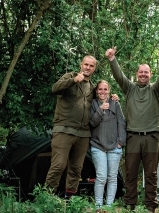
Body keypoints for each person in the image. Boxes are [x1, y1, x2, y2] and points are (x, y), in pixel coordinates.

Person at [105, 47, 159, 213]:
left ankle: (150, 207)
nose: (143, 75)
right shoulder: (130, 88)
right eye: (141, 72)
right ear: (136, 73)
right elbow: (119, 76)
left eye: (146, 72)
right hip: (133, 137)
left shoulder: (156, 89)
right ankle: (130, 206)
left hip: (152, 137)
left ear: (150, 75)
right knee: (131, 174)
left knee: (151, 174)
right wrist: (112, 59)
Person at [45, 55, 118, 199]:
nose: (88, 68)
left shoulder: (92, 88)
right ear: (81, 65)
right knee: (58, 165)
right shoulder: (70, 77)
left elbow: (102, 97)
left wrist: (113, 97)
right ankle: (46, 198)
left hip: (84, 134)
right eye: (86, 64)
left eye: (91, 66)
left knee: (76, 170)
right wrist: (73, 81)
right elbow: (54, 89)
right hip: (64, 130)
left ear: (94, 68)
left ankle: (68, 199)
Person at [89, 80, 127, 213]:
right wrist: (100, 110)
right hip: (98, 145)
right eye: (100, 89)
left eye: (105, 89)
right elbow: (92, 123)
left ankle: (109, 207)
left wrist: (120, 142)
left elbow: (121, 123)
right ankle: (98, 206)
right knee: (101, 177)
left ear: (109, 91)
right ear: (96, 91)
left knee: (112, 177)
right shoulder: (93, 104)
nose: (102, 92)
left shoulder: (115, 103)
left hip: (114, 147)